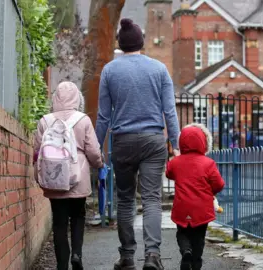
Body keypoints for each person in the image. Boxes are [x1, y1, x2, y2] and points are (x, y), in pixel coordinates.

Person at [95, 18, 180, 270]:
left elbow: (103, 116)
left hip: (122, 141)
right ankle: (152, 255)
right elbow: (170, 111)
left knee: (125, 199)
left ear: (120, 44)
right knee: (152, 199)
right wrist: (176, 145)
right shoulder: (159, 69)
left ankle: (127, 257)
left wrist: (95, 147)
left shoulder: (110, 70)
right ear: (141, 42)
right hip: (154, 140)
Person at [33, 81, 104, 270]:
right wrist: (99, 164)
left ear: (55, 97)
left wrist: (38, 176)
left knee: (59, 222)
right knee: (78, 216)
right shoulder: (83, 120)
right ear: (77, 98)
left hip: (53, 178)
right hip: (77, 177)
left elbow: (37, 153)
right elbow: (94, 152)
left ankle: (62, 265)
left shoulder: (45, 121)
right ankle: (77, 255)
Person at [165, 123, 225, 270]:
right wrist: (211, 192)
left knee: (182, 233)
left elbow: (168, 173)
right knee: (199, 237)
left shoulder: (176, 163)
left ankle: (186, 251)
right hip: (201, 209)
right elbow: (219, 184)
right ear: (203, 142)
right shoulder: (209, 163)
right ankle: (196, 262)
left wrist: (176, 159)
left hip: (182, 207)